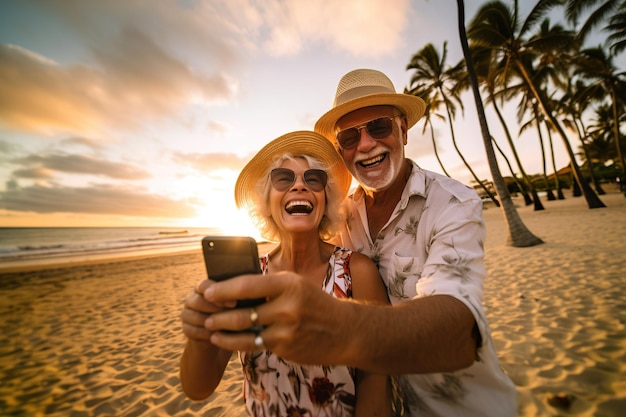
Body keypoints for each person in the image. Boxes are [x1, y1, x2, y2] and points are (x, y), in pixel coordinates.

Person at [202, 69, 518, 416]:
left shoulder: (452, 203)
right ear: (341, 150)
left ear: (404, 130)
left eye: (379, 127)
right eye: (350, 137)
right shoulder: (343, 215)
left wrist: (336, 321)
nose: (366, 144)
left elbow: (457, 335)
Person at [180, 130, 392, 416]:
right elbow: (198, 388)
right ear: (267, 202)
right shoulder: (249, 281)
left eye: (313, 179)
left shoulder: (357, 272)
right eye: (283, 178)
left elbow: (376, 381)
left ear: (326, 200)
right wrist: (198, 336)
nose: (300, 186)